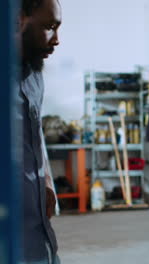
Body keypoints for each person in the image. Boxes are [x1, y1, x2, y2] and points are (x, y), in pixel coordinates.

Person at [16, 0, 62, 263]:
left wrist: (45, 180)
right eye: (49, 27)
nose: (56, 40)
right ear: (18, 20)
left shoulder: (35, 76)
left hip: (38, 235)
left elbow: (35, 133)